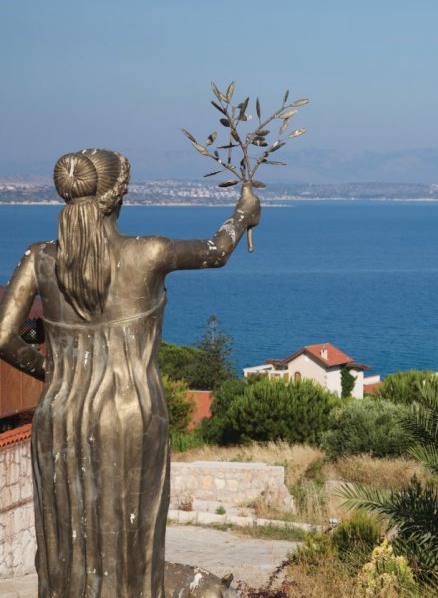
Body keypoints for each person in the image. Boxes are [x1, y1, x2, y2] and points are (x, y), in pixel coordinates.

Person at [0, 149, 259, 597]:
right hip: (130, 415)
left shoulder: (40, 259)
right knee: (132, 534)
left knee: (64, 535)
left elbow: (5, 338)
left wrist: (59, 375)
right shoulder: (150, 253)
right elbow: (216, 252)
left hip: (58, 416)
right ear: (119, 196)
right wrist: (242, 215)